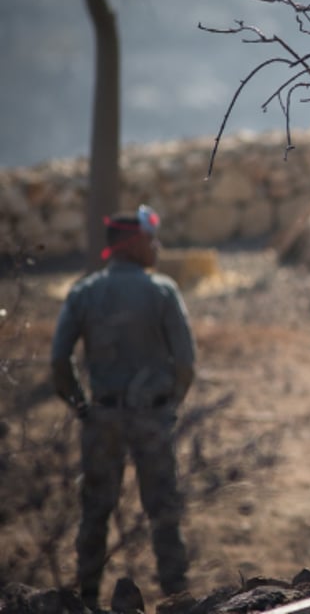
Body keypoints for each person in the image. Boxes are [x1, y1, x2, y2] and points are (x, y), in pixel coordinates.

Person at [50, 205, 196, 609]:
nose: (158, 247)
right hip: (152, 418)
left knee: (95, 512)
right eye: (152, 240)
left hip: (102, 418)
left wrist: (83, 409)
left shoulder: (82, 293)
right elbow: (185, 363)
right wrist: (168, 408)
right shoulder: (163, 291)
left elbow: (59, 363)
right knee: (163, 511)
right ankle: (178, 598)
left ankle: (88, 598)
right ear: (133, 246)